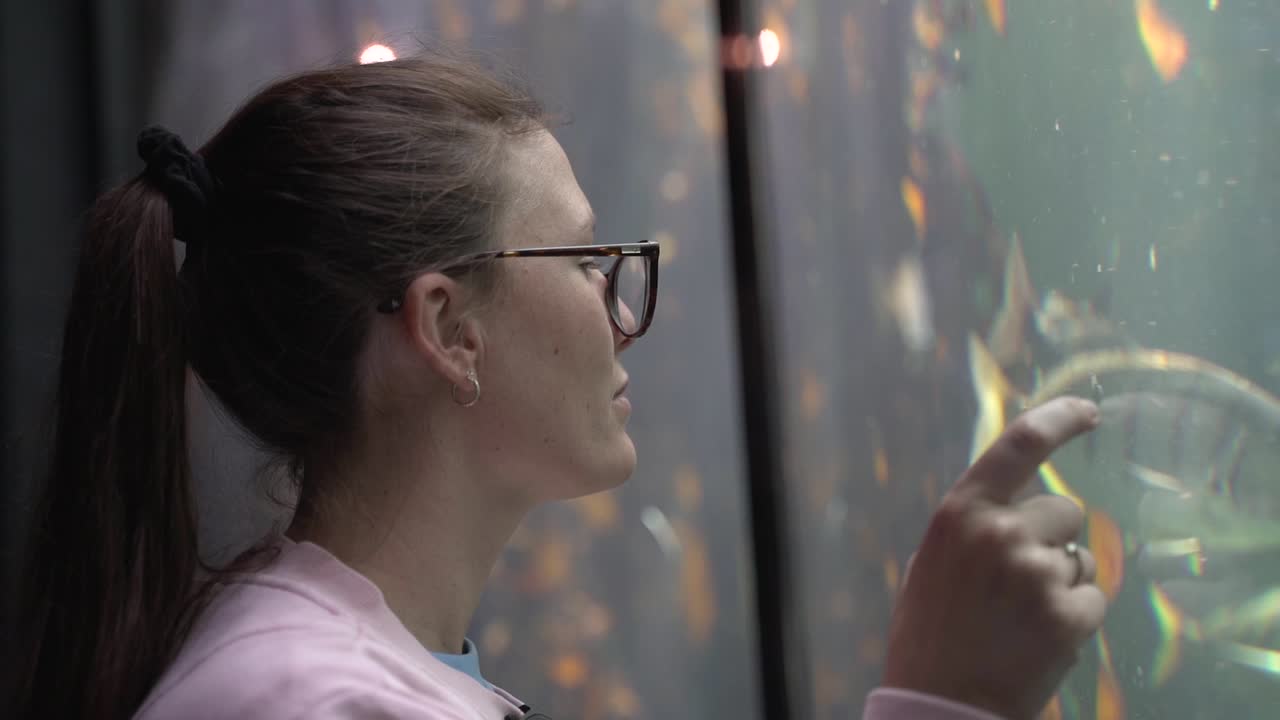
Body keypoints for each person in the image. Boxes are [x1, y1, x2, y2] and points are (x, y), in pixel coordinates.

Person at [10, 51, 1105, 720]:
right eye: (585, 263)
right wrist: (937, 702)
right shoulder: (307, 699)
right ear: (448, 328)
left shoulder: (336, 671)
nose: (619, 315)